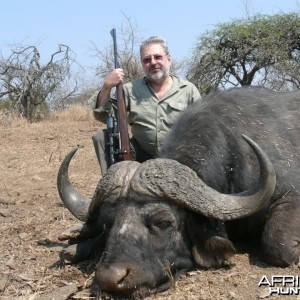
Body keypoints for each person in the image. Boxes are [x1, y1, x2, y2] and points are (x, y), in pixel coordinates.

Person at [91, 35, 201, 175]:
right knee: (102, 137)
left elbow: (202, 128)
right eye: (147, 60)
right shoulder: (129, 90)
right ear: (142, 64)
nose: (153, 62)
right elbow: (102, 115)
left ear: (169, 59)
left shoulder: (188, 90)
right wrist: (107, 86)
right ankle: (113, 189)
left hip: (179, 157)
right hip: (140, 156)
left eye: (158, 57)